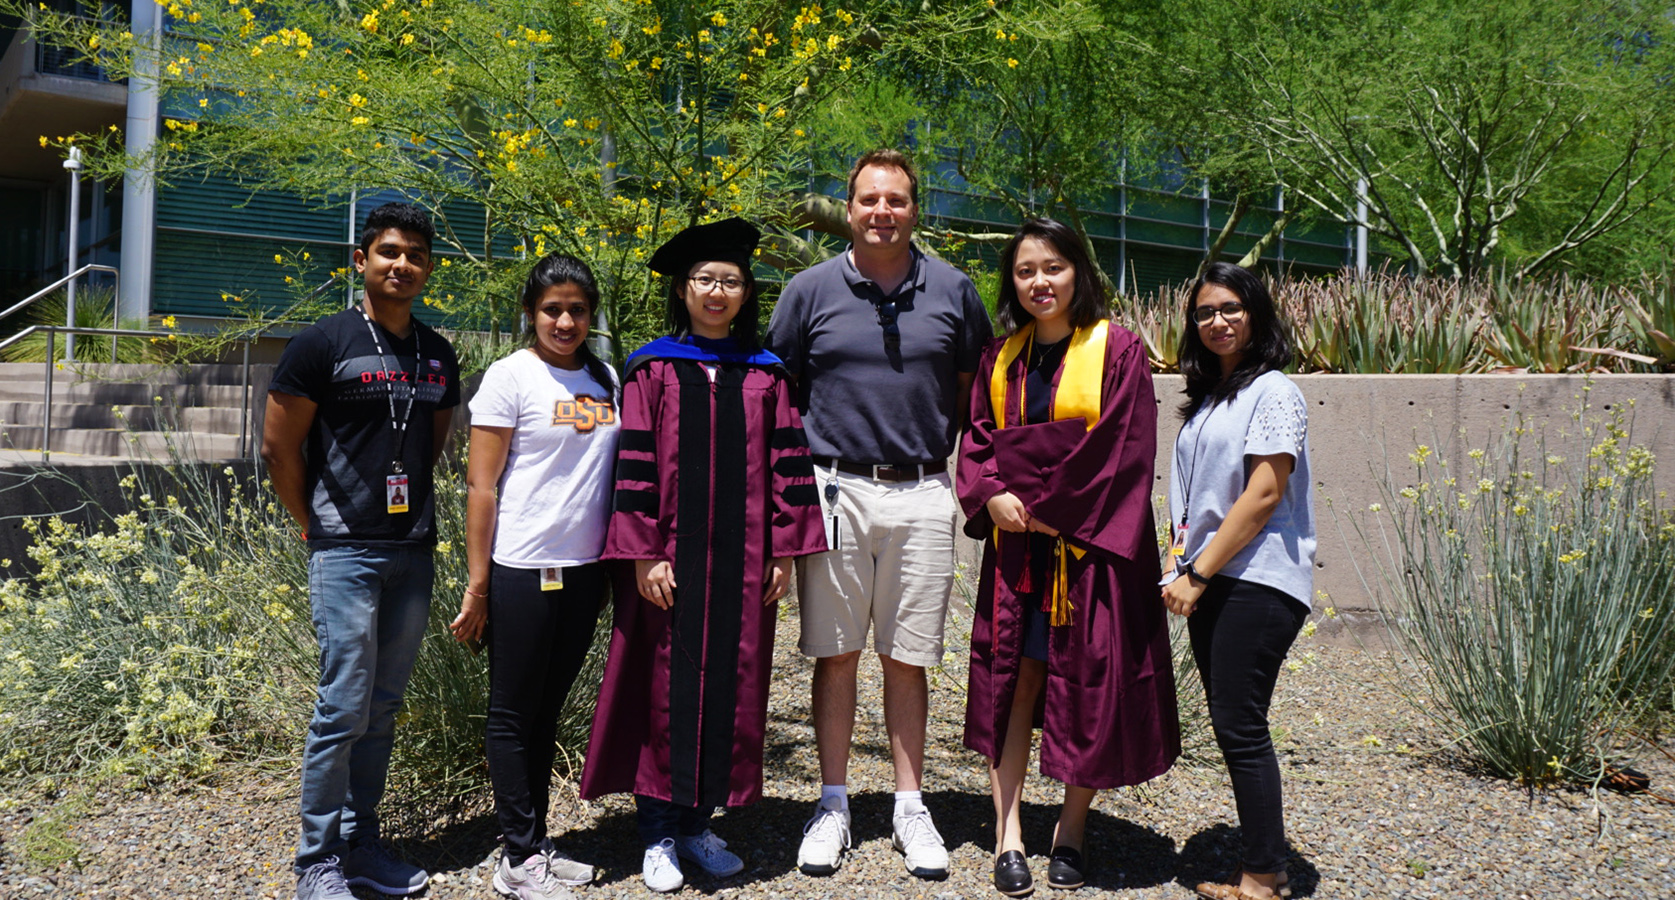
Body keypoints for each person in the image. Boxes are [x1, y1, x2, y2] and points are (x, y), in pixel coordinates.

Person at [578, 217, 827, 893]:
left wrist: (783, 552)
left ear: (747, 293)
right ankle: (657, 830)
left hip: (744, 567)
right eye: (705, 280)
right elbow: (632, 465)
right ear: (684, 290)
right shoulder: (652, 368)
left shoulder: (768, 375)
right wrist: (643, 554)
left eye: (731, 281)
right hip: (666, 566)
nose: (718, 292)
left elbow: (787, 465)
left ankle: (696, 825)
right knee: (661, 686)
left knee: (730, 685)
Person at [765, 148, 993, 880]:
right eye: (869, 200)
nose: (882, 212)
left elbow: (972, 389)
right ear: (850, 207)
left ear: (915, 209)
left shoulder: (954, 291)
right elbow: (779, 392)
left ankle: (907, 805)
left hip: (924, 490)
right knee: (834, 654)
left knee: (908, 655)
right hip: (832, 488)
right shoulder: (808, 290)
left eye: (896, 200)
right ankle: (833, 803)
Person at [957, 218, 1180, 896]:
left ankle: (1071, 829)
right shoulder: (1000, 358)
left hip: (1089, 557)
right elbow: (977, 443)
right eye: (1024, 271)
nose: (1038, 282)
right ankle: (1008, 834)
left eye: (1051, 267)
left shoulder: (1116, 350)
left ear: (1078, 272)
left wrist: (1050, 506)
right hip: (1017, 553)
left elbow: (1123, 446)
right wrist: (989, 492)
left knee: (1084, 683)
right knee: (1013, 684)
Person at [263, 202, 461, 900]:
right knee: (342, 706)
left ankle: (361, 843)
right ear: (361, 260)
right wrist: (310, 526)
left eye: (414, 255)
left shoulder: (437, 352)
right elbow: (278, 446)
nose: (401, 264)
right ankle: (316, 861)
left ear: (428, 268)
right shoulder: (321, 344)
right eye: (388, 252)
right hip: (343, 551)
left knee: (383, 706)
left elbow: (431, 444)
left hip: (412, 549)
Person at [447, 253, 619, 900]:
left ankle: (534, 841)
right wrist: (477, 583)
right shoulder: (510, 376)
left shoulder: (605, 377)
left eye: (577, 309)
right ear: (530, 313)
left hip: (584, 571)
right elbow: (481, 487)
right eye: (553, 309)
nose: (566, 320)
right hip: (522, 569)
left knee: (546, 712)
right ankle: (518, 857)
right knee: (513, 713)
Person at [1162, 262, 1314, 900]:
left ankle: (1261, 878)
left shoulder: (1274, 390)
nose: (1217, 321)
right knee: (1235, 723)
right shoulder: (1212, 399)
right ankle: (1265, 865)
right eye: (1204, 313)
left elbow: (1263, 494)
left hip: (1258, 578)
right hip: (1216, 576)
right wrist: (1180, 562)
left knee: (1241, 724)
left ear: (1256, 314)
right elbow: (1200, 497)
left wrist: (1196, 572)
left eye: (1230, 308)